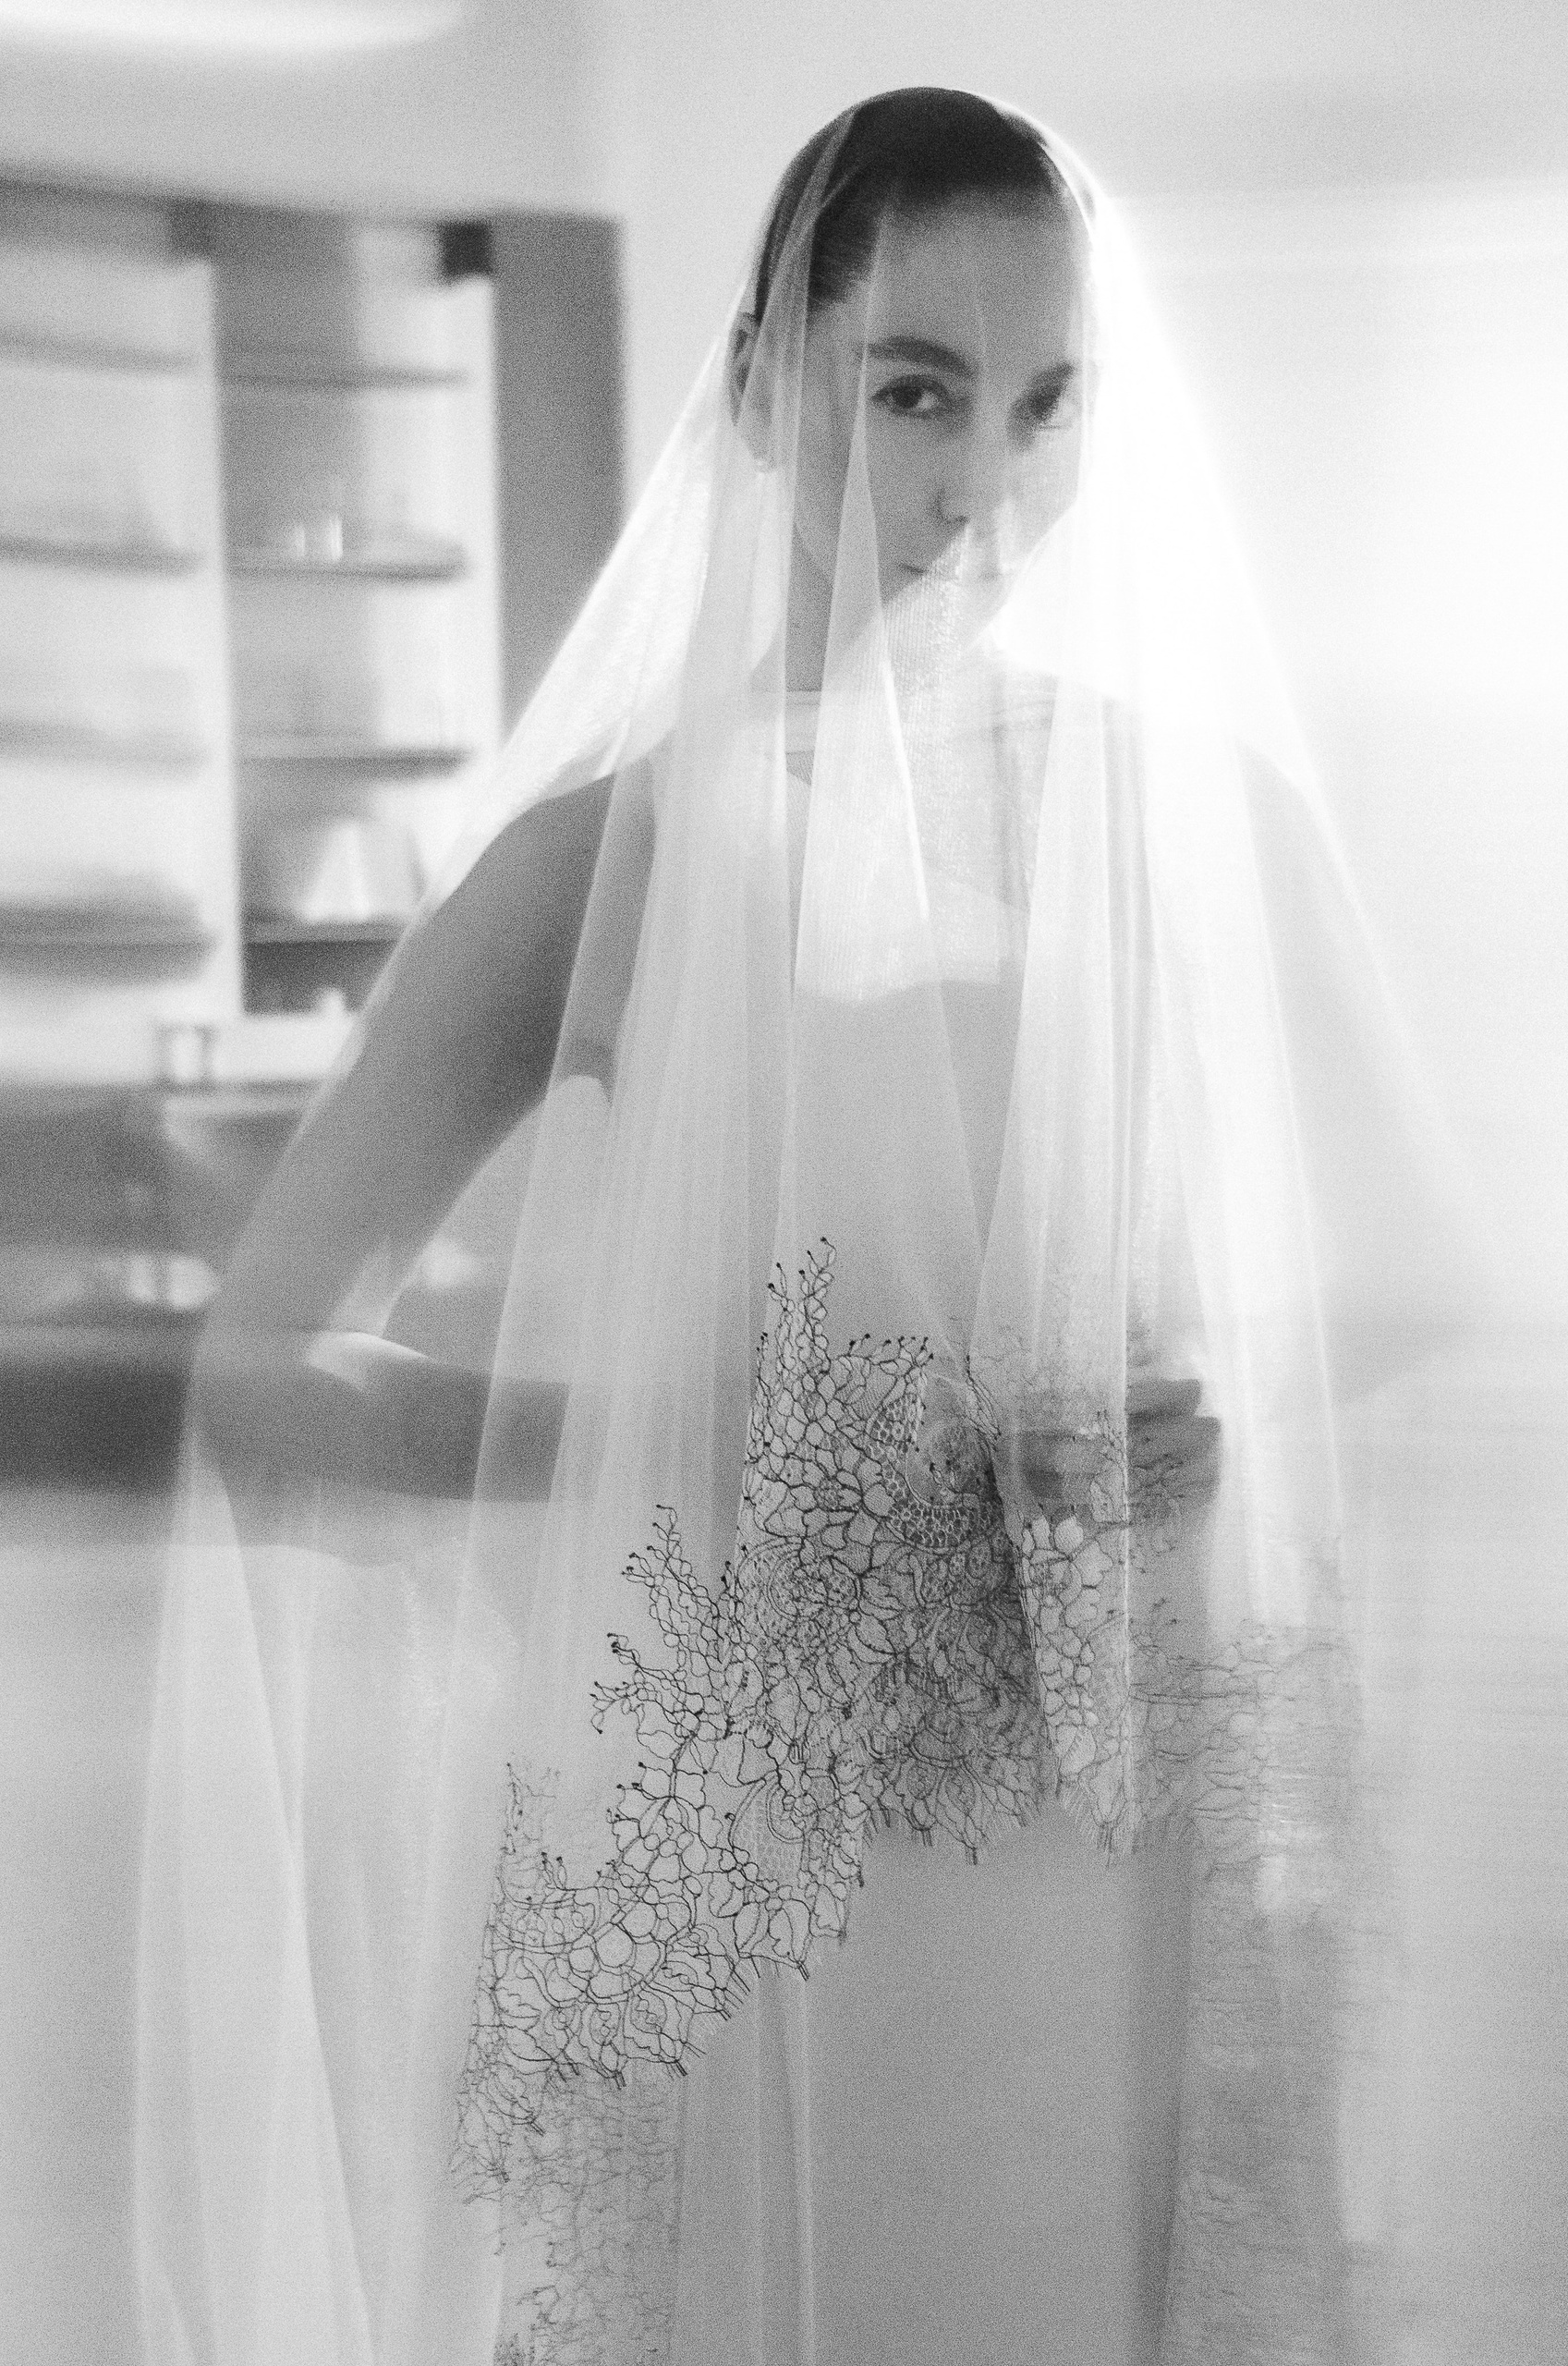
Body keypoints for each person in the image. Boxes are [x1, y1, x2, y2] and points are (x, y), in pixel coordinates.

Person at [138, 87, 1470, 2366]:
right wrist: (652, 1436)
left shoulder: (1194, 811)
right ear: (769, 387)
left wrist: (1203, 1401)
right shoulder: (613, 856)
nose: (983, 485)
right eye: (917, 391)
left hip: (1109, 1785)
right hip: (741, 1824)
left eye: (1046, 408)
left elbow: (1422, 1270)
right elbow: (259, 1366)